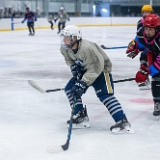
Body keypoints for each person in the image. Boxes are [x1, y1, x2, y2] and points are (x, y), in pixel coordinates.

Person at [60, 25, 134, 133]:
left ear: (75, 38)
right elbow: (70, 60)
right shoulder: (65, 48)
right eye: (64, 36)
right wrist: (75, 70)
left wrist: (83, 82)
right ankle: (81, 117)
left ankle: (122, 121)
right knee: (71, 90)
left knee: (105, 95)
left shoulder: (87, 49)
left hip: (101, 71)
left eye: (67, 37)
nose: (64, 39)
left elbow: (96, 68)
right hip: (85, 70)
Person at [126, 14, 160, 118]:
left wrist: (147, 72)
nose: (147, 32)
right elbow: (138, 42)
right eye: (146, 28)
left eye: (150, 29)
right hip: (154, 52)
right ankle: (158, 103)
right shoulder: (142, 32)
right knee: (156, 79)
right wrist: (133, 47)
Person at [127, 4, 153, 90]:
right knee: (144, 58)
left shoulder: (156, 21)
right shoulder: (140, 22)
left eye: (148, 12)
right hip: (147, 46)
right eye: (144, 12)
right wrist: (133, 44)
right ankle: (146, 79)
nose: (146, 14)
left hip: (155, 45)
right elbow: (138, 36)